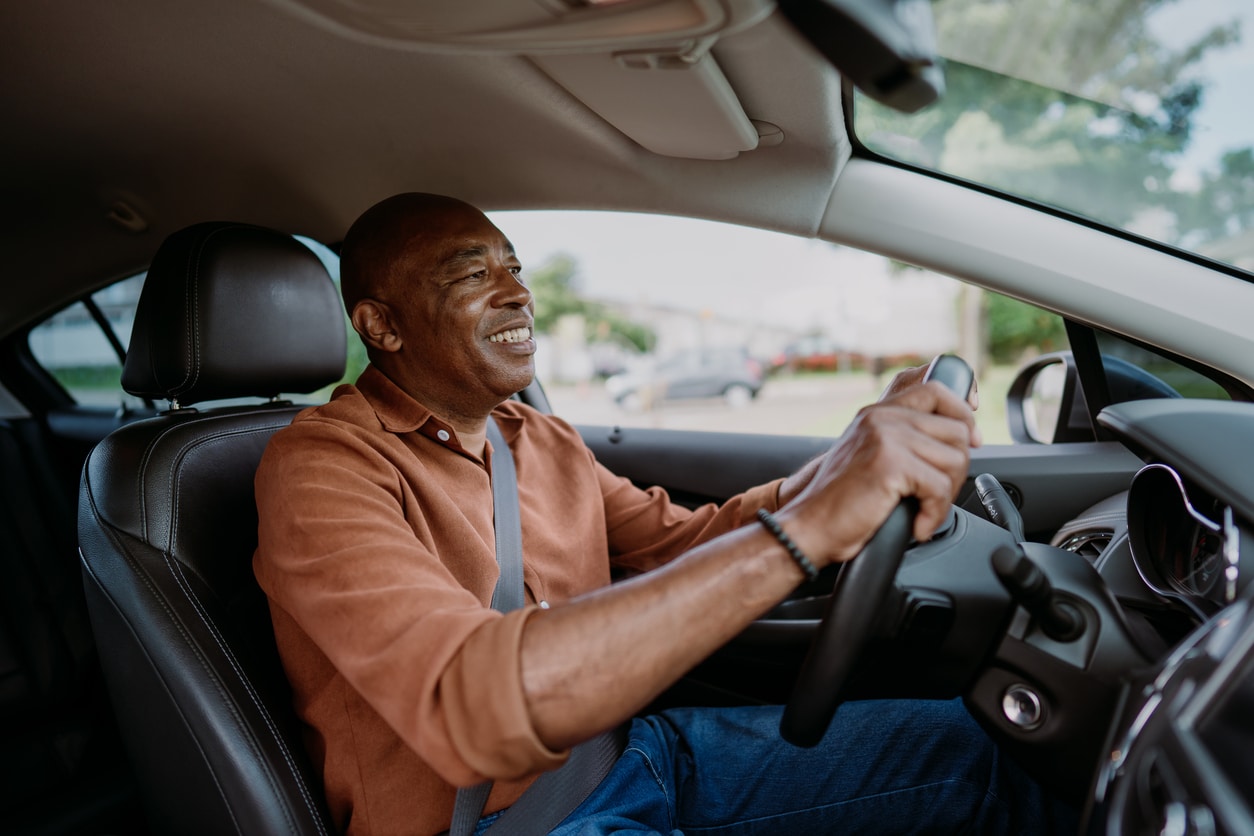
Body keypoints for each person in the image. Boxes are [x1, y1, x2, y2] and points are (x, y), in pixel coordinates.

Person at [253, 193, 1073, 835]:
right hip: (509, 825)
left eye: (514, 266)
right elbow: (473, 705)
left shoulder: (534, 438)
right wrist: (811, 528)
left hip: (634, 754)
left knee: (984, 753)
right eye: (473, 275)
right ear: (381, 326)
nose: (518, 293)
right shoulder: (321, 468)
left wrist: (845, 462)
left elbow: (687, 541)